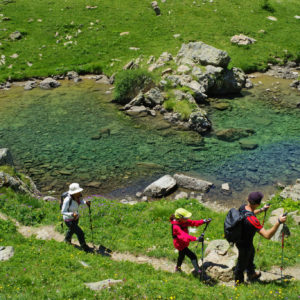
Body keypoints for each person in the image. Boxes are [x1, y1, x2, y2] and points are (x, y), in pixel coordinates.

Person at [234, 191, 287, 285]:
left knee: (251, 254)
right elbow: (267, 235)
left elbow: (250, 212)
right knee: (241, 264)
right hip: (244, 244)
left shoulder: (242, 207)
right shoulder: (253, 221)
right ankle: (239, 283)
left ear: (248, 199)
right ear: (258, 204)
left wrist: (262, 209)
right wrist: (278, 222)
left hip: (239, 239)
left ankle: (251, 273)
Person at [170, 207, 211, 277]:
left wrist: (204, 221)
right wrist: (196, 239)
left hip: (182, 243)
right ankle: (198, 271)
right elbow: (184, 236)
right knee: (193, 256)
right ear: (180, 218)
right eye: (186, 218)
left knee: (181, 256)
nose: (187, 219)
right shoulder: (176, 227)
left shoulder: (183, 221)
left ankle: (177, 268)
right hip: (180, 244)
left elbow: (193, 223)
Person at [61, 183, 92, 253]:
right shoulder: (67, 200)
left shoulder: (78, 196)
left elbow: (80, 201)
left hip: (76, 218)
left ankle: (66, 240)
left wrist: (85, 202)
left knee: (72, 230)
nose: (80, 192)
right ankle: (84, 247)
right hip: (68, 220)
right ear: (74, 193)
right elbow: (63, 212)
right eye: (78, 191)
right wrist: (72, 214)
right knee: (80, 233)